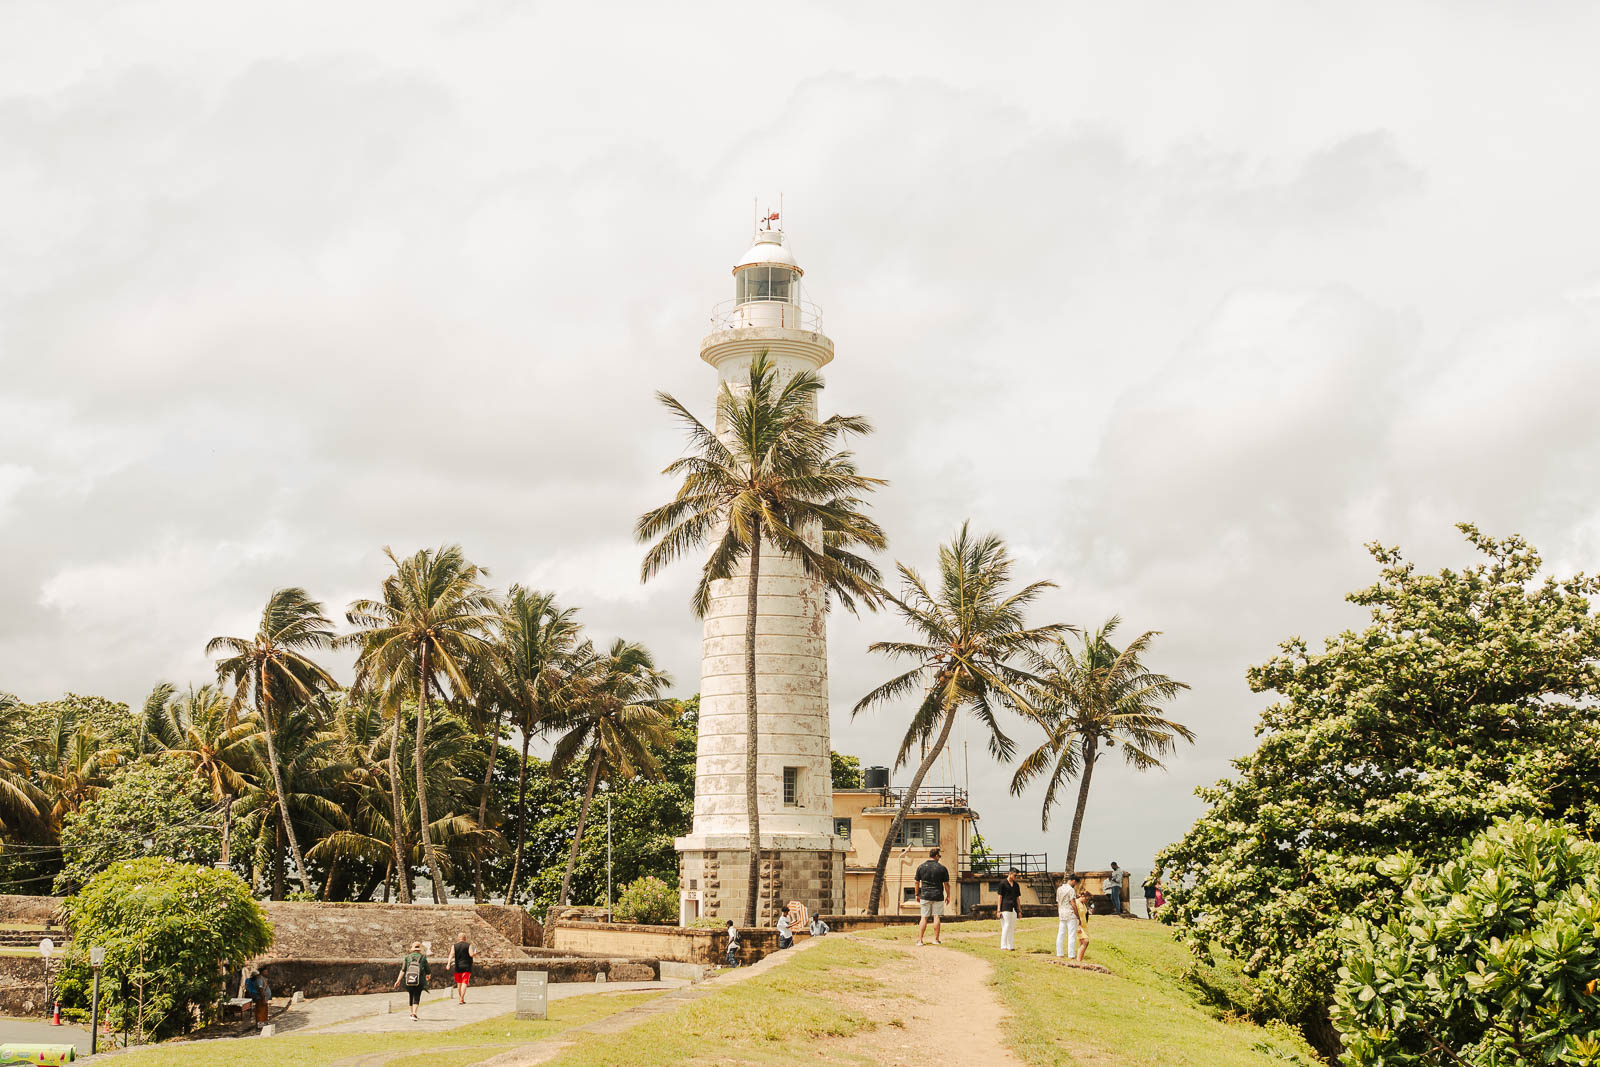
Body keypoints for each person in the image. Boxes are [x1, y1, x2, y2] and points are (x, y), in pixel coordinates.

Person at [913, 846, 952, 946]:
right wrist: (948, 896)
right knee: (936, 917)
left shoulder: (921, 867)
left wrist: (917, 894)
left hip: (925, 895)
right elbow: (946, 884)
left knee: (924, 917)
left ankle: (920, 940)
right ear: (936, 856)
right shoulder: (942, 868)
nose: (939, 858)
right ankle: (936, 939)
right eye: (939, 856)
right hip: (938, 895)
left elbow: (916, 882)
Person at [394, 940, 429, 1020]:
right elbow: (428, 970)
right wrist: (428, 976)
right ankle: (414, 1014)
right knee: (416, 996)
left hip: (408, 979)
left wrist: (398, 980)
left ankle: (411, 1013)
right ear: (420, 949)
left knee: (411, 995)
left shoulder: (407, 957)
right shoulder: (423, 957)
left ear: (412, 949)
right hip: (419, 980)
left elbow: (403, 970)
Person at [1055, 876, 1080, 959]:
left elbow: (1058, 902)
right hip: (1070, 913)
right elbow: (1073, 903)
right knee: (1071, 935)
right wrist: (1077, 916)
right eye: (1075, 883)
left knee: (1061, 934)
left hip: (1062, 913)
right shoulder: (1071, 890)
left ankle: (1059, 953)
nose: (1075, 885)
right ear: (1073, 881)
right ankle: (1071, 954)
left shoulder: (1059, 889)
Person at [997, 868, 1023, 950]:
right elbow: (1000, 897)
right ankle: (1003, 945)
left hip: (1013, 908)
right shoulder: (1003, 883)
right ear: (1010, 873)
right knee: (1006, 925)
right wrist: (998, 910)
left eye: (1017, 876)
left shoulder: (1016, 885)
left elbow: (1017, 898)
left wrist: (1019, 910)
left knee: (1012, 927)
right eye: (1015, 875)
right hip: (1005, 907)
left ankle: (1010, 945)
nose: (1016, 877)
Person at [451, 932, 473, 1004]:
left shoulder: (454, 946)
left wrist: (448, 964)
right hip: (466, 966)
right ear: (465, 938)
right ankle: (461, 998)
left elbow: (451, 955)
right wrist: (475, 953)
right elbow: (471, 954)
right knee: (464, 983)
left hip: (458, 966)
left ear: (458, 938)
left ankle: (461, 998)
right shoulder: (469, 945)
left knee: (459, 983)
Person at [1073, 883, 1092, 962]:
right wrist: (1077, 926)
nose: (1087, 900)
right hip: (1078, 925)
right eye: (1086, 898)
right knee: (1085, 941)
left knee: (1083, 943)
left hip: (1084, 925)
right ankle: (1078, 960)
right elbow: (1074, 914)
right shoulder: (1076, 903)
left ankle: (1079, 959)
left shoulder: (1083, 904)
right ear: (1082, 896)